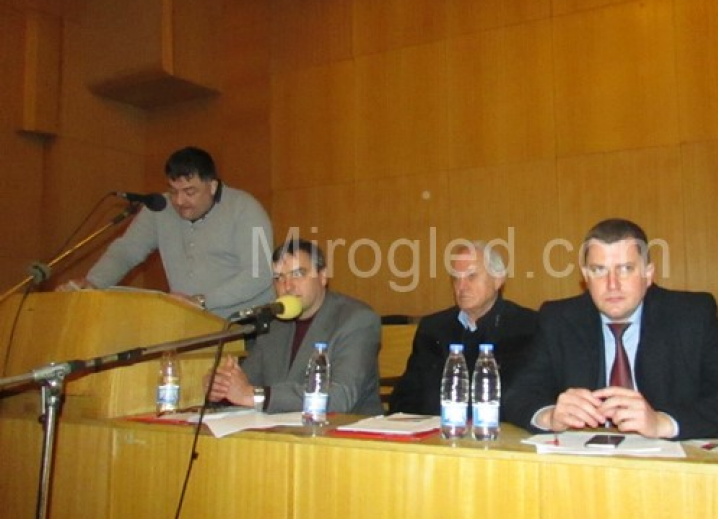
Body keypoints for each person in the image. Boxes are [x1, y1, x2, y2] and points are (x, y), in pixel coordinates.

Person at [503, 218, 718, 440]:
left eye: (626, 269)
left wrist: (662, 423)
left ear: (648, 274)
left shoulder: (691, 316)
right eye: (599, 270)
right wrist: (550, 416)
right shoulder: (559, 319)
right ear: (585, 276)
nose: (612, 284)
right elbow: (515, 395)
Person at [58, 146, 274, 319]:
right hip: (189, 324)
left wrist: (201, 301)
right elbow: (126, 251)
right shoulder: (160, 209)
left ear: (213, 186)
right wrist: (94, 282)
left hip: (248, 328)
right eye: (173, 191)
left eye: (190, 192)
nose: (179, 201)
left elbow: (260, 273)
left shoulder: (246, 208)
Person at [206, 239, 383, 415]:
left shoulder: (357, 320)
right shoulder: (274, 324)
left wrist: (256, 396)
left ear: (322, 276)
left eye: (297, 274)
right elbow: (246, 386)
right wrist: (221, 389)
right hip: (281, 429)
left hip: (344, 429)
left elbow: (340, 397)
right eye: (279, 278)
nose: (287, 286)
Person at [389, 241, 538, 416]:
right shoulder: (433, 329)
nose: (461, 287)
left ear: (498, 279)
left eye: (471, 276)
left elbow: (528, 398)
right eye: (456, 278)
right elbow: (404, 397)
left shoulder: (527, 327)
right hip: (438, 429)